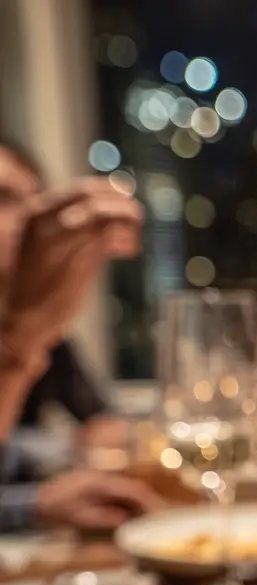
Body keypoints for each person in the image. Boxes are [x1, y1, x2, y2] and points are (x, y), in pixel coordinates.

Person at [0, 142, 161, 530]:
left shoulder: (45, 327)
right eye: (3, 199)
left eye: (35, 201)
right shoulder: (30, 321)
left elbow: (101, 422)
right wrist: (35, 503)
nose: (25, 219)